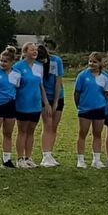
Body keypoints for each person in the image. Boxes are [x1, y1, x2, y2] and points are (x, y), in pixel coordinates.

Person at [13, 42, 50, 168]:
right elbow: (15, 86)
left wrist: (46, 102)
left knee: (31, 131)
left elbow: (41, 86)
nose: (35, 52)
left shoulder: (39, 67)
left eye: (36, 50)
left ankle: (28, 157)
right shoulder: (18, 67)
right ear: (25, 52)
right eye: (32, 50)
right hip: (23, 103)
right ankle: (20, 159)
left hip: (36, 104)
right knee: (22, 131)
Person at [73, 52, 108, 170]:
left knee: (97, 134)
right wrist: (79, 106)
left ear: (100, 63)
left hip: (100, 109)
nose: (91, 64)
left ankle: (96, 160)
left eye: (95, 62)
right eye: (90, 61)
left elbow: (107, 93)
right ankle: (81, 160)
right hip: (85, 109)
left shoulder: (105, 77)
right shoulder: (82, 76)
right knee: (83, 133)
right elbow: (77, 93)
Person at [38, 39, 64, 167]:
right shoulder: (37, 63)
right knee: (47, 125)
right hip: (44, 98)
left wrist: (56, 101)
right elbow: (40, 84)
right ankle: (45, 155)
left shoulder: (57, 61)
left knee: (54, 126)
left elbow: (58, 81)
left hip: (58, 97)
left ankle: (50, 154)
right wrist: (47, 103)